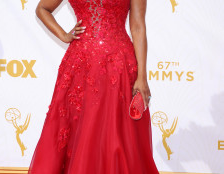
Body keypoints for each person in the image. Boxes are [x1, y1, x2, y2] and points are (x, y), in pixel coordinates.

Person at [28, 0, 160, 173]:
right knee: (81, 131)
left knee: (115, 133)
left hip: (118, 66)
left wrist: (142, 77)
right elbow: (42, 9)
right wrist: (64, 35)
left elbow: (138, 27)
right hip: (80, 66)